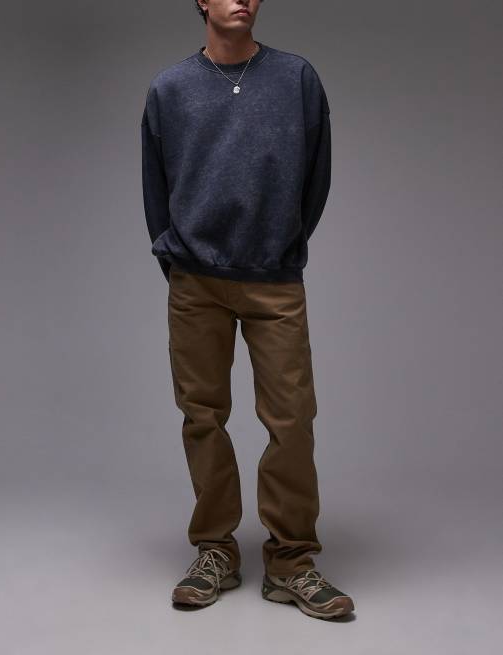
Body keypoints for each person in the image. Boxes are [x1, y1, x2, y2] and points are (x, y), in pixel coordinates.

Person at [141, 0, 355, 620]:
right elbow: (155, 187)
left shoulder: (296, 78)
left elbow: (317, 175)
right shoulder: (170, 88)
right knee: (201, 416)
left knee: (292, 418)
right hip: (195, 280)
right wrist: (178, 259)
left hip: (273, 278)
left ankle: (291, 561)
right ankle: (215, 551)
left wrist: (284, 246)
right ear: (201, 1)